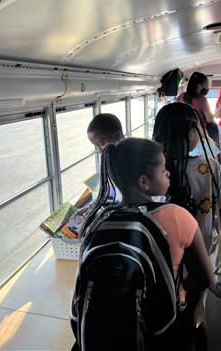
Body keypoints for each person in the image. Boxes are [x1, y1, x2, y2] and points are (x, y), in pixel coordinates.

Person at [79, 137, 213, 350]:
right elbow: (205, 277)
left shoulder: (98, 220)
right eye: (163, 170)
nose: (168, 173)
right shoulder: (178, 216)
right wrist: (180, 294)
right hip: (162, 321)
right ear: (144, 182)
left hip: (106, 323)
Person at [153, 102, 221, 351]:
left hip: (159, 259)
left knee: (163, 313)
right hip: (198, 261)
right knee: (195, 313)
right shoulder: (210, 168)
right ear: (192, 134)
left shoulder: (149, 173)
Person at [177, 71, 219, 144]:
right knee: (214, 126)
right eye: (206, 86)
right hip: (200, 134)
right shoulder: (202, 100)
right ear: (199, 86)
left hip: (183, 132)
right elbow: (209, 119)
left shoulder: (181, 97)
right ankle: (216, 153)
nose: (207, 88)